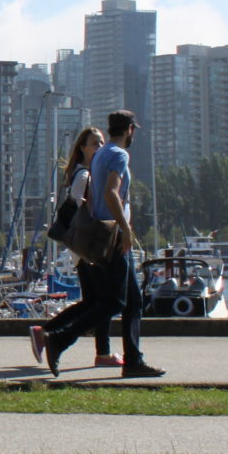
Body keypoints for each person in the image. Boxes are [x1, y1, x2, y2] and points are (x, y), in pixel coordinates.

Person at [31, 111, 165, 378]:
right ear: (130, 129)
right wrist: (125, 230)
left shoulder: (101, 155)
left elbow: (94, 197)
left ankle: (133, 361)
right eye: (133, 130)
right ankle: (60, 338)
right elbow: (111, 193)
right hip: (113, 235)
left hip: (104, 233)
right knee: (115, 301)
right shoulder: (118, 154)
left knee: (133, 302)